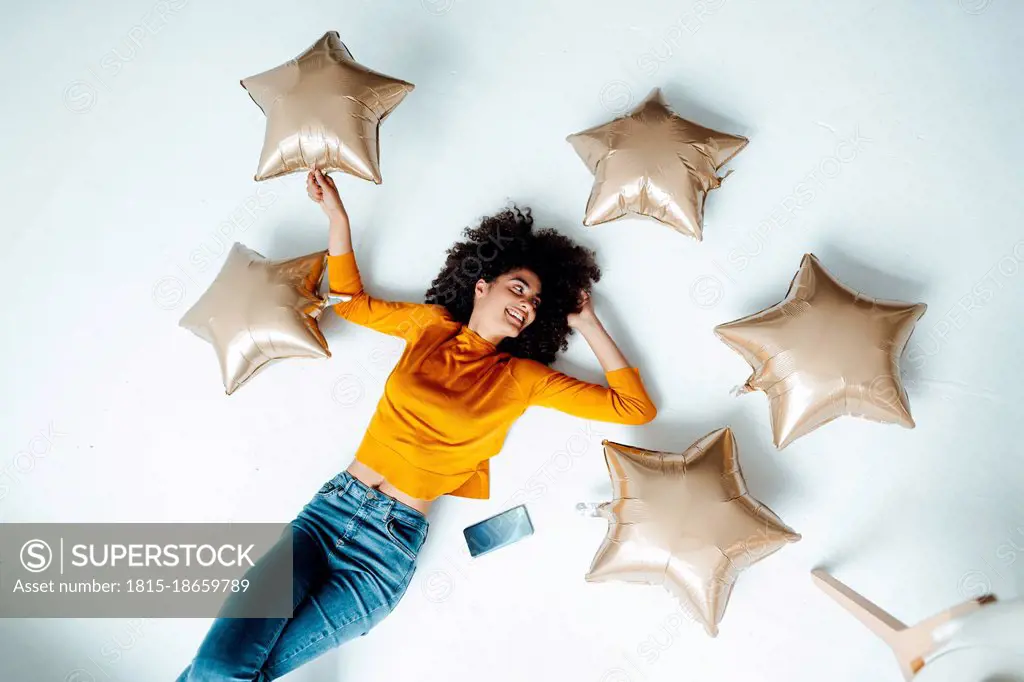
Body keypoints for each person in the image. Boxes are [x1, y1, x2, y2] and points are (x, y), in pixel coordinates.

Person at [175, 169, 657, 680]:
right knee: (220, 666)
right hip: (326, 516)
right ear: (481, 286)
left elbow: (635, 409)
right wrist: (337, 217)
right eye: (519, 289)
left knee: (225, 674)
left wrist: (585, 322)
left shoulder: (521, 378)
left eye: (536, 304)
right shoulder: (428, 326)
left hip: (382, 554)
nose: (526, 305)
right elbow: (353, 303)